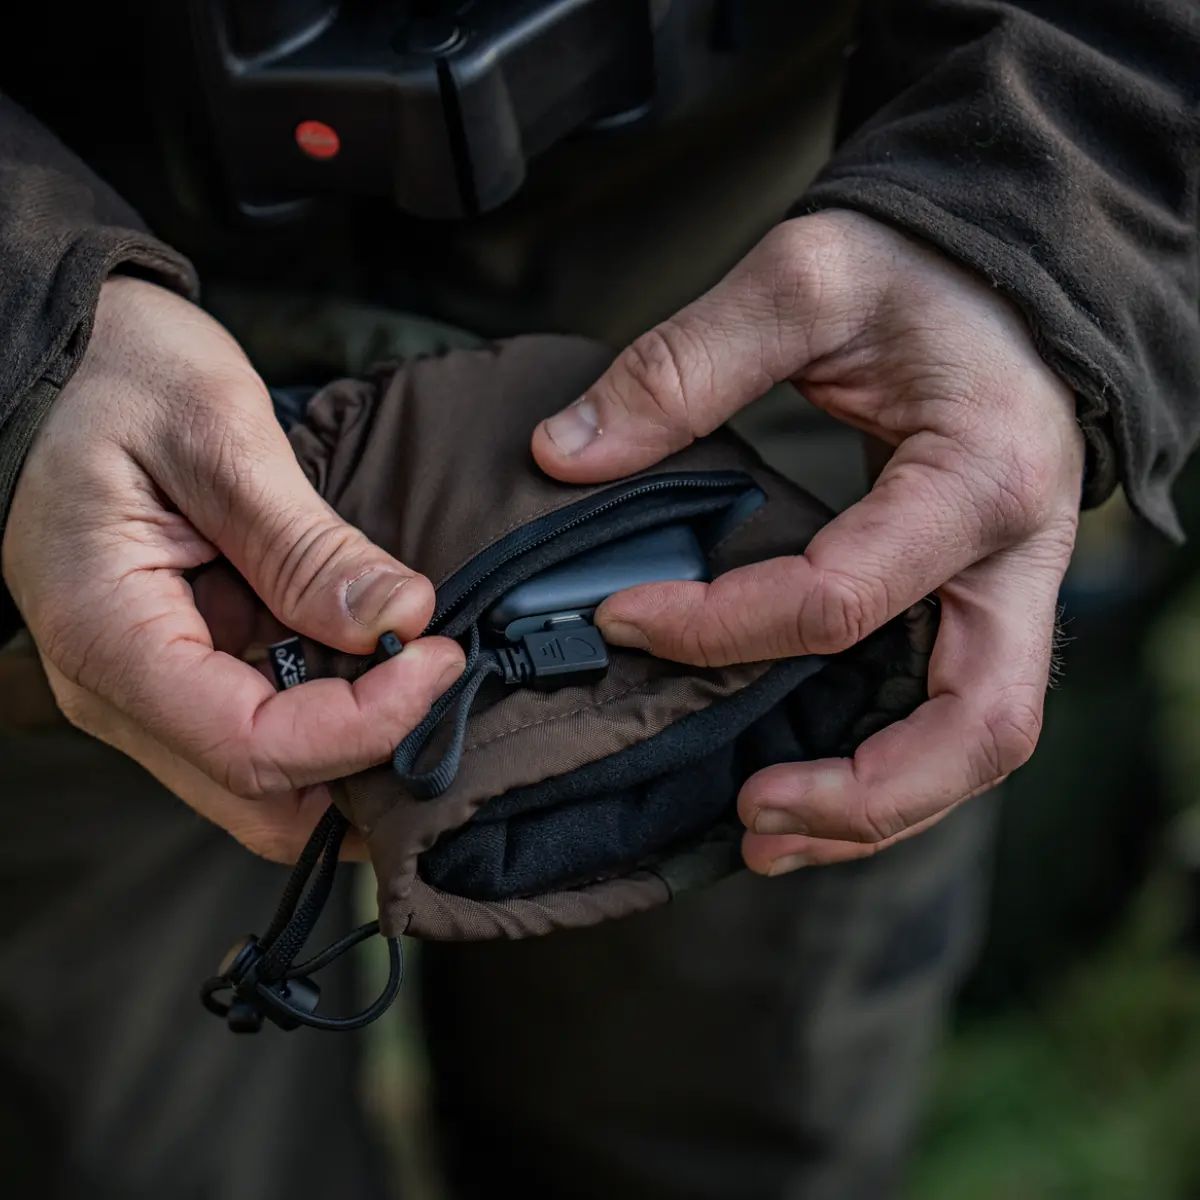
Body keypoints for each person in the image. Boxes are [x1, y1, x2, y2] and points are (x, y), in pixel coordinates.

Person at [0, 2, 1196, 1198]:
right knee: (130, 1143)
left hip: (788, 319)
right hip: (61, 447)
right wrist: (27, 326)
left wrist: (1025, 220)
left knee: (720, 1108)